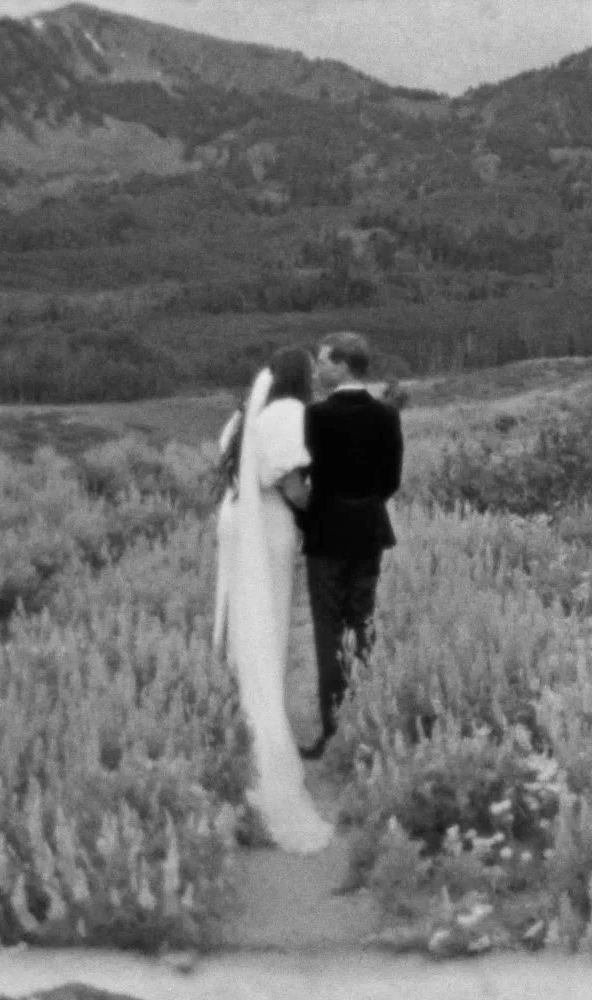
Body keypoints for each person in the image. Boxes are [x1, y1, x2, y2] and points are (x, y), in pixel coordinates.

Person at [212, 348, 334, 853]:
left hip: (236, 516)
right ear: (298, 378)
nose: (316, 379)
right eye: (312, 372)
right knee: (270, 620)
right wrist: (323, 512)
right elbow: (292, 485)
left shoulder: (243, 416)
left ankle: (238, 710)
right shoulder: (287, 413)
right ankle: (264, 727)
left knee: (242, 615)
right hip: (266, 523)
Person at [297, 332, 404, 760]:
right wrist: (365, 504)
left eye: (324, 360)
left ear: (342, 366)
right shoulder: (386, 415)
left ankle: (333, 729)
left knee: (328, 629)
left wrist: (318, 510)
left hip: (326, 531)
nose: (318, 367)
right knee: (362, 622)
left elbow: (303, 474)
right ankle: (365, 722)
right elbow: (391, 480)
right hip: (368, 531)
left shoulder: (314, 416)